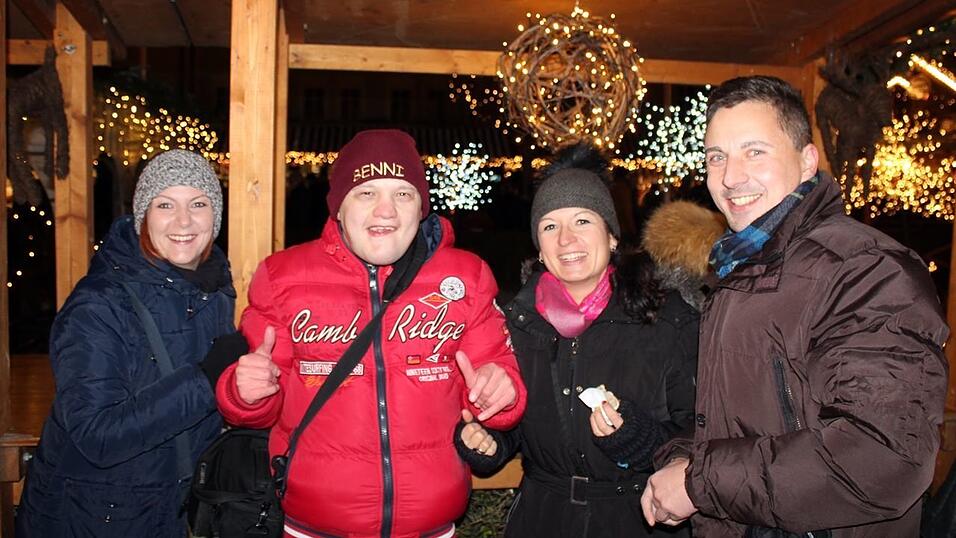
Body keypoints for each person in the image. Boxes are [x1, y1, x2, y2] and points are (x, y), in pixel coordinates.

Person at [640, 75, 949, 537]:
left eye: (754, 151)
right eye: (716, 157)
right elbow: (750, 422)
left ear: (807, 161)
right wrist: (684, 457)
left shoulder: (866, 270)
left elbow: (883, 458)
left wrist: (698, 481)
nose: (729, 177)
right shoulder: (739, 269)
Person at [214, 129, 527, 538]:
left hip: (430, 525)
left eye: (403, 194)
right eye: (366, 193)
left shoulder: (465, 276)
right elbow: (252, 403)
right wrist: (244, 392)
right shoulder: (283, 277)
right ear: (338, 208)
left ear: (421, 209)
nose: (386, 211)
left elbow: (503, 389)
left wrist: (502, 393)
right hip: (312, 526)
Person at [455, 144, 699, 537]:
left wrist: (633, 438)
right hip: (542, 519)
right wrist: (489, 439)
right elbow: (515, 424)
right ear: (539, 246)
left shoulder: (666, 320)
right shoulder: (518, 322)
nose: (566, 239)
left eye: (583, 221)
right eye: (550, 226)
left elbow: (703, 434)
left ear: (612, 235)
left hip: (637, 520)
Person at [15, 149, 239, 537]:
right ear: (143, 217)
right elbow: (97, 435)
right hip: (92, 518)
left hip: (170, 510)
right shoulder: (99, 305)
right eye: (165, 204)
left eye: (198, 204)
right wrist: (207, 379)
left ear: (214, 217)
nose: (184, 221)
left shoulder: (212, 289)